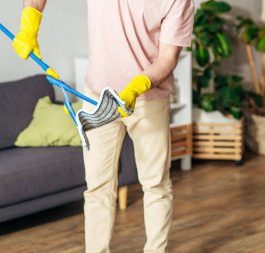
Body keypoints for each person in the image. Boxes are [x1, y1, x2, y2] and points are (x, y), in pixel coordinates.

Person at [13, 1, 195, 252]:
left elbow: (168, 58)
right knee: (97, 188)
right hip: (96, 97)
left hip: (147, 101)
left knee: (156, 185)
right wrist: (30, 21)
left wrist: (139, 84)